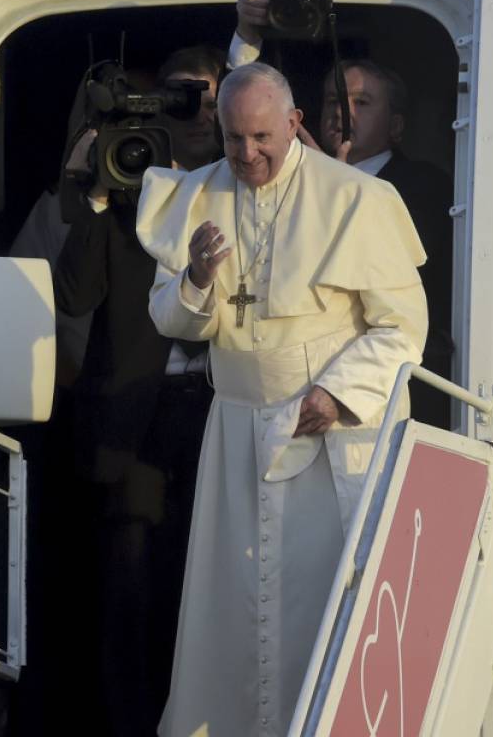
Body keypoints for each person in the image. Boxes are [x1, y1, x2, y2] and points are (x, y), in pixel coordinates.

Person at [137, 62, 427, 736]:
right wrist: (198, 277)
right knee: (231, 615)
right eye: (234, 139)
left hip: (328, 437)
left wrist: (335, 392)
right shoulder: (197, 196)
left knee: (317, 611)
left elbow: (402, 328)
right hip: (235, 432)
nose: (248, 155)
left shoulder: (354, 198)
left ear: (295, 123)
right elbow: (173, 323)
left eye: (263, 137)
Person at [53, 45, 224, 736]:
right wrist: (94, 192)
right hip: (133, 418)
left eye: (210, 97)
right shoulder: (129, 181)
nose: (197, 111)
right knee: (128, 592)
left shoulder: (244, 187)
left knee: (208, 585)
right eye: (182, 94)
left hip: (220, 411)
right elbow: (74, 293)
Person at [228, 0, 456, 426]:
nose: (342, 113)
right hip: (287, 400)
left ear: (396, 125)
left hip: (377, 402)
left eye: (361, 103)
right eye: (334, 101)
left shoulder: (424, 186)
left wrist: (339, 183)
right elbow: (242, 127)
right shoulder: (289, 178)